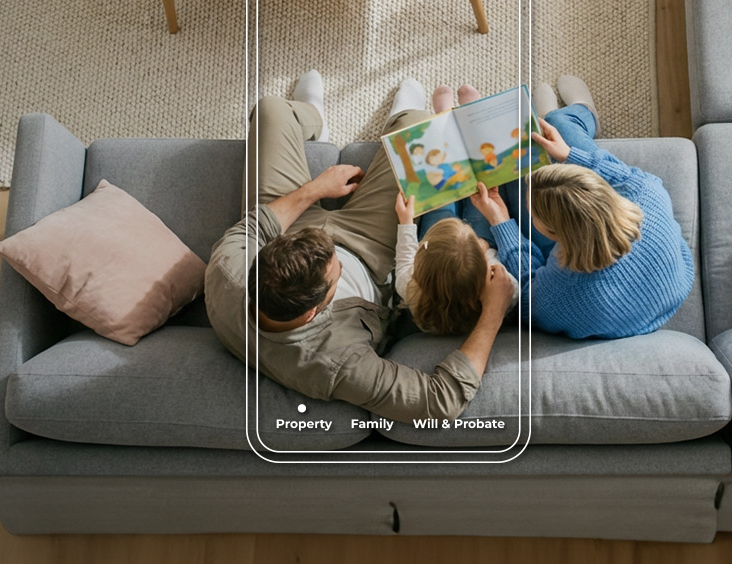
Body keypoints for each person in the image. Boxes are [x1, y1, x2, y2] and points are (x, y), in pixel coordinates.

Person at [206, 72, 516, 422]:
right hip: (371, 250)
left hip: (295, 223)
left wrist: (316, 189)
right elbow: (439, 401)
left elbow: (256, 226)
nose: (332, 250)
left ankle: (313, 116)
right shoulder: (337, 362)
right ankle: (399, 116)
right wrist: (493, 312)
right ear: (312, 314)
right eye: (335, 268)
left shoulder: (228, 270)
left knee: (271, 110)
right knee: (417, 127)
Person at [485, 76, 695, 339]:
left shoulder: (560, 293)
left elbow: (526, 294)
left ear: (553, 233)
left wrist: (502, 222)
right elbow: (626, 176)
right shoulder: (649, 195)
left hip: (600, 296)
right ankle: (573, 113)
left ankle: (568, 115)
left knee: (514, 171)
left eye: (533, 213)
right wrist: (569, 155)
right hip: (652, 278)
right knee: (557, 127)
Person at [390, 85, 544, 335]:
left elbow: (405, 258)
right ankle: (471, 125)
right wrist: (485, 240)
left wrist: (406, 223)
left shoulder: (411, 288)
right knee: (483, 186)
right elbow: (519, 260)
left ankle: (445, 123)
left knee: (441, 197)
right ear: (485, 269)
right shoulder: (505, 288)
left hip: (454, 245)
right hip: (485, 240)